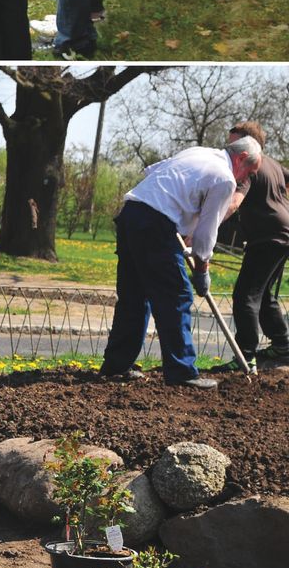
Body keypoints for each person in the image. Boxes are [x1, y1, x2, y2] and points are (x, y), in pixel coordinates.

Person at [99, 135, 263, 389]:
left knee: (134, 295)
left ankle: (115, 367)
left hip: (131, 213)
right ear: (241, 158)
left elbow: (152, 171)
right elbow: (206, 234)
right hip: (155, 224)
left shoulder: (197, 152)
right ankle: (182, 371)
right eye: (248, 172)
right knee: (178, 296)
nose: (244, 180)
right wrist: (202, 270)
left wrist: (178, 212)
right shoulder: (224, 178)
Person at [225, 122, 289, 373]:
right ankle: (283, 346)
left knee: (245, 296)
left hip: (267, 237)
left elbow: (234, 203)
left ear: (248, 144)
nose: (229, 148)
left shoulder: (247, 168)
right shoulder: (272, 163)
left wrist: (200, 230)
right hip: (283, 233)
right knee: (263, 295)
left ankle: (245, 357)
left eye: (233, 142)